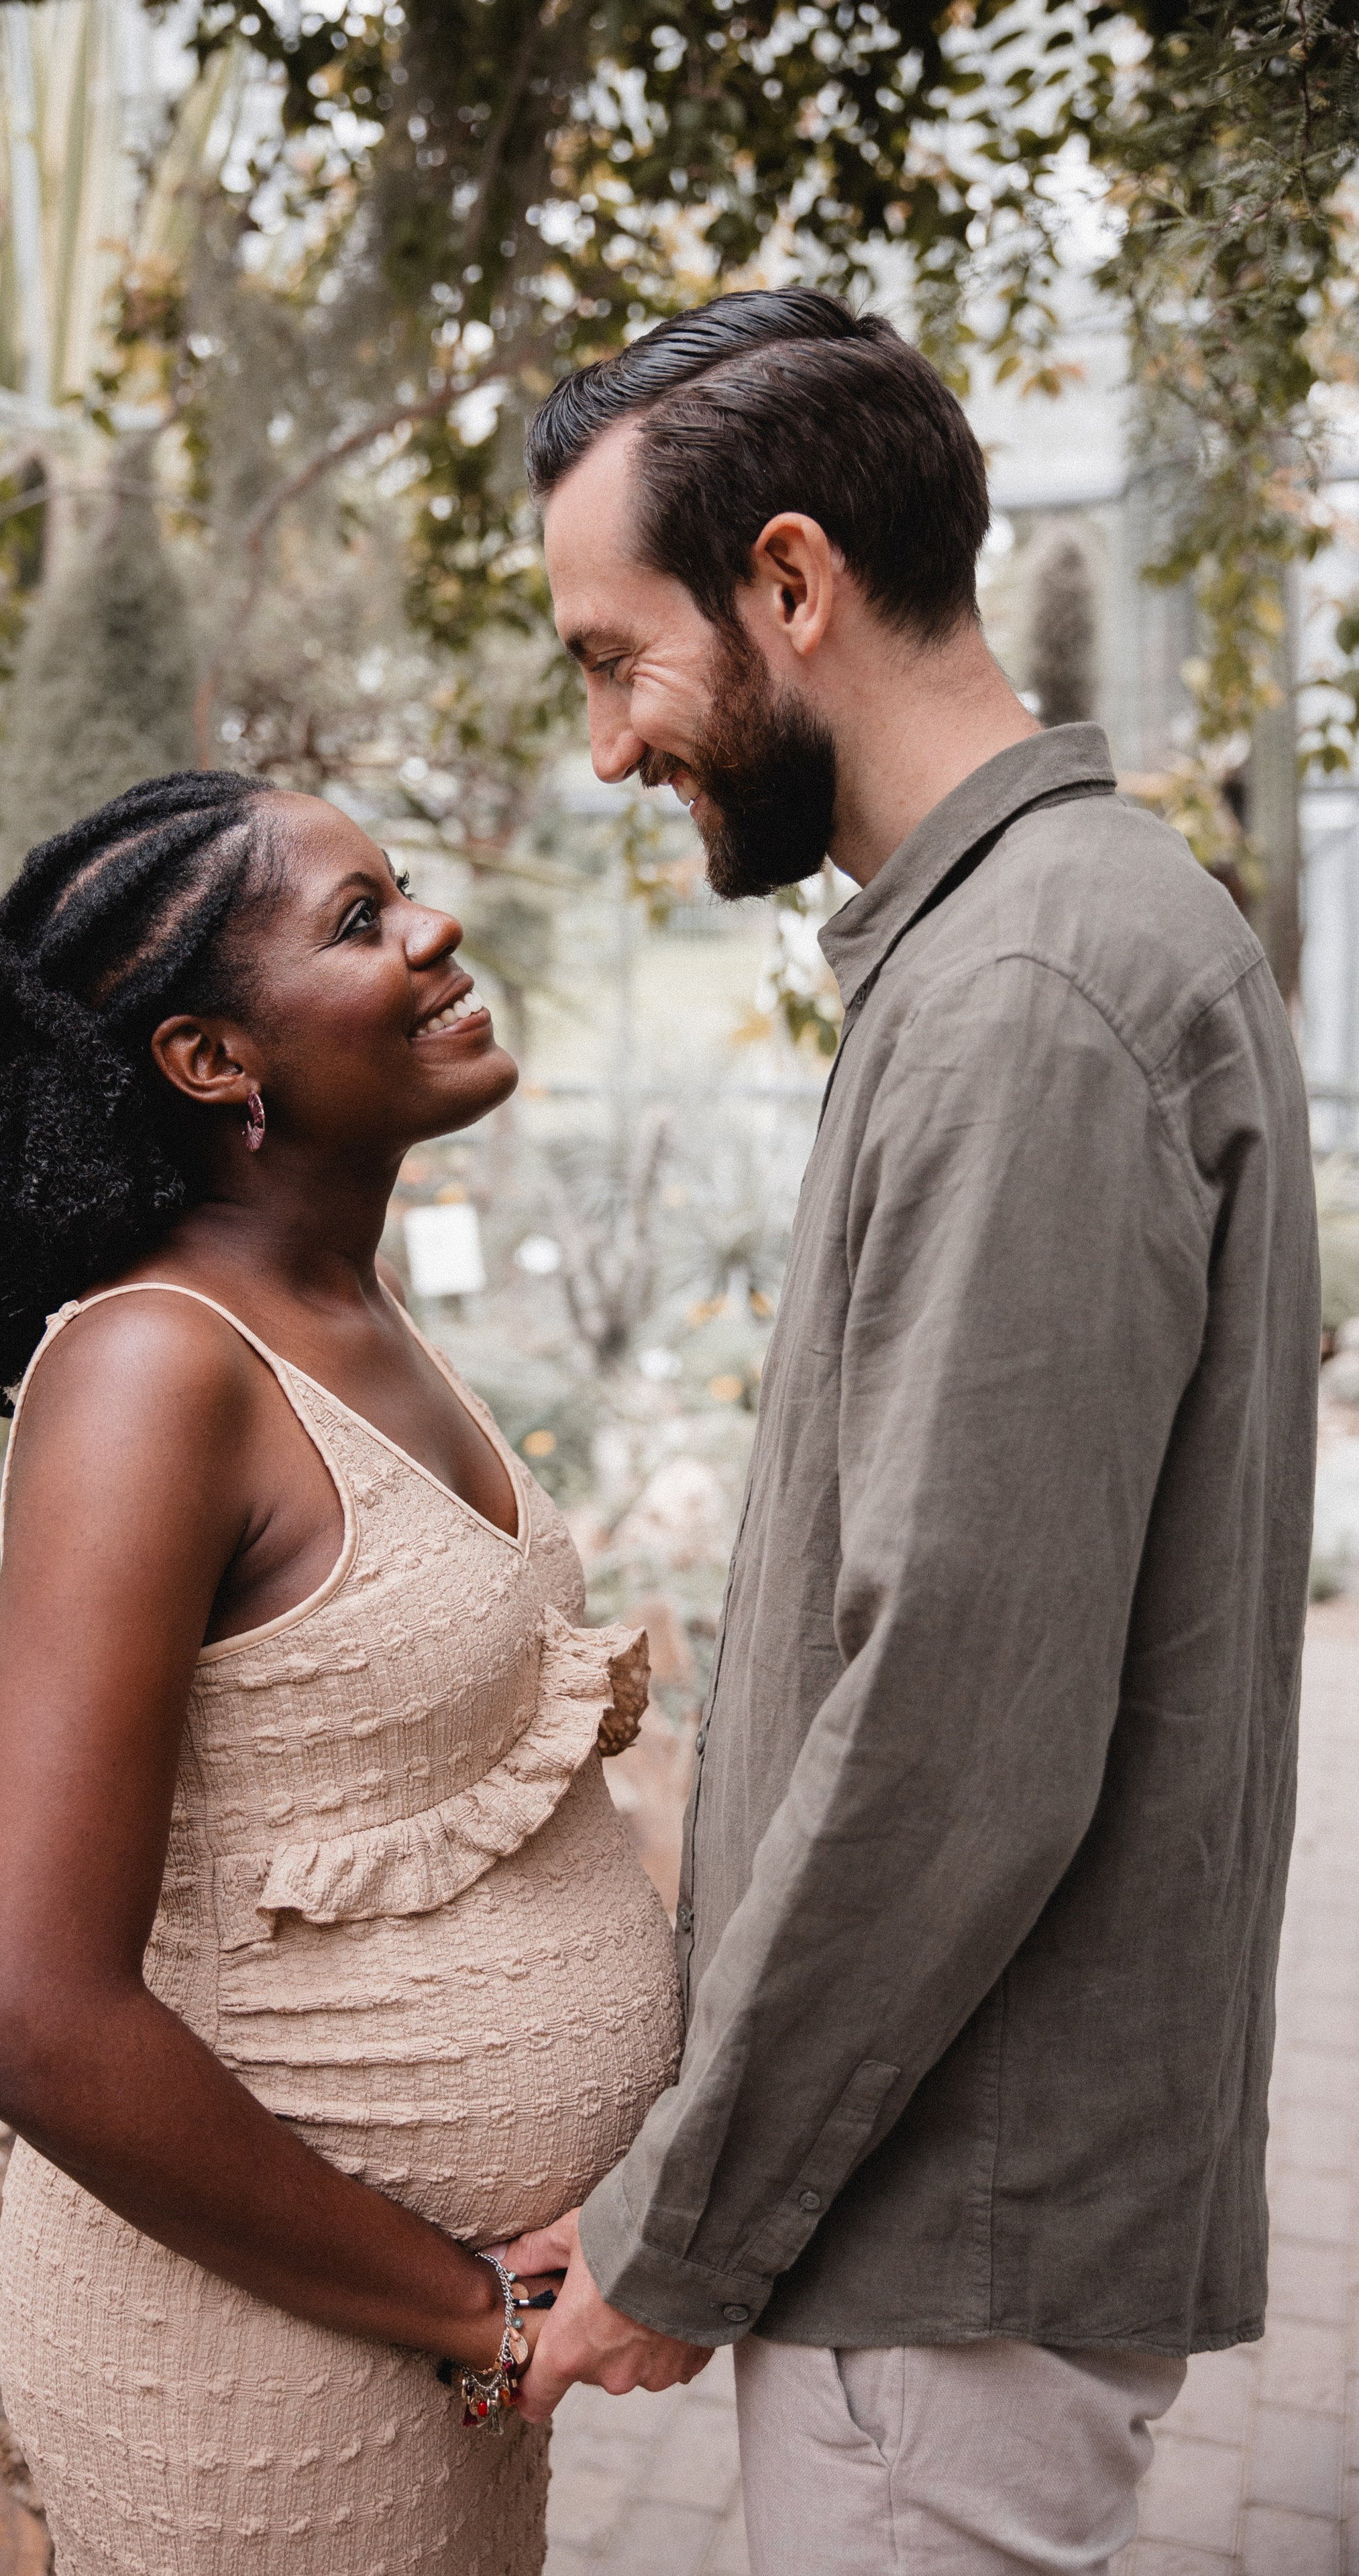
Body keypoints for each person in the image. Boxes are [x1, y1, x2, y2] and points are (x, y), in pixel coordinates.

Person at [503, 288, 1320, 2575]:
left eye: (610, 655)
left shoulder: (1028, 995)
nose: (603, 745)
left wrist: (688, 2221)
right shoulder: (1046, 939)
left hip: (933, 2247)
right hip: (937, 2224)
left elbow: (957, 1721)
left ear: (788, 583)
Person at [0, 771, 690, 2576]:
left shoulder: (351, 1313)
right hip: (266, 2374)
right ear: (212, 1060)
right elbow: (33, 2015)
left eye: (406, 890)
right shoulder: (154, 1372)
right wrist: (471, 2311)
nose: (434, 933)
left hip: (425, 2352)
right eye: (360, 921)